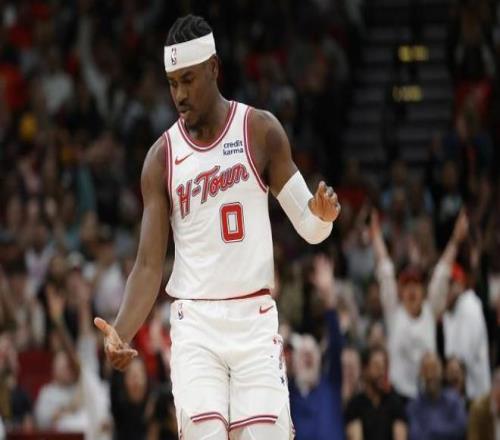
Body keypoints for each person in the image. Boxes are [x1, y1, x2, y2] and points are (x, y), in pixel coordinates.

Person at [94, 14, 341, 440]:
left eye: (188, 80)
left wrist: (322, 216)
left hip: (254, 319)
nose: (179, 94)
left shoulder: (260, 131)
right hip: (196, 324)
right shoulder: (161, 158)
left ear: (213, 68)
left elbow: (310, 227)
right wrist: (123, 329)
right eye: (172, 83)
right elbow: (149, 265)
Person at [370, 211, 437, 400]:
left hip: (426, 396)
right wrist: (375, 234)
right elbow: (386, 272)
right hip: (397, 397)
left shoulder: (430, 312)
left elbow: (442, 274)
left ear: (423, 291)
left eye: (416, 285)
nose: (412, 290)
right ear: (400, 292)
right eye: (407, 286)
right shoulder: (395, 313)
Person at [428, 210, 490, 399]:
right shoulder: (449, 312)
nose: (447, 289)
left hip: (476, 396)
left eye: (452, 284)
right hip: (460, 395)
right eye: (446, 285)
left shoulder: (470, 304)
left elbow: (461, 359)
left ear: (461, 285)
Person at [289, 255, 344, 440]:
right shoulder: (287, 395)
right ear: (293, 364)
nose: (307, 358)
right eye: (303, 355)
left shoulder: (331, 384)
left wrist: (328, 296)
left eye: (311, 355)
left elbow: (336, 343)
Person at [345, 346, 408, 440]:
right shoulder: (355, 405)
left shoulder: (395, 402)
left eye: (383, 367)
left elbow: (400, 435)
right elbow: (355, 436)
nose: (381, 372)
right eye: (377, 367)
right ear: (365, 369)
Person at [407, 352, 467, 440]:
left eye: (434, 369)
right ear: (420, 374)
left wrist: (431, 430)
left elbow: (461, 429)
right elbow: (415, 436)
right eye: (426, 369)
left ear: (442, 371)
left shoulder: (454, 400)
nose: (430, 375)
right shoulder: (413, 407)